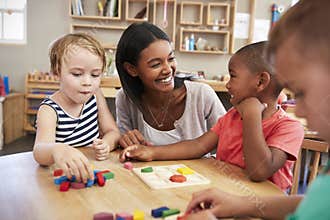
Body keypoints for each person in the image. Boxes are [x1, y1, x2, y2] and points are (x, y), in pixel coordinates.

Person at [185, 0, 330, 219]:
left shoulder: (284, 125)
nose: (298, 110)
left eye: (300, 92)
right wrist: (242, 204)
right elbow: (310, 205)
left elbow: (260, 171)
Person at [120, 41, 305, 191]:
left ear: (261, 81)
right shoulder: (232, 117)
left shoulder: (288, 128)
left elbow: (259, 171)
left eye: (233, 76)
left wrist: (252, 116)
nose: (228, 85)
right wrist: (152, 152)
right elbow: (198, 145)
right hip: (226, 196)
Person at [115, 22, 226, 149]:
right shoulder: (125, 98)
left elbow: (228, 138)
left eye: (171, 59)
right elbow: (123, 144)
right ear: (132, 69)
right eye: (156, 64)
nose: (168, 69)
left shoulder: (201, 94)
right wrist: (124, 140)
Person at [33, 33, 121, 183]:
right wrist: (57, 149)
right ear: (56, 73)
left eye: (95, 75)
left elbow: (113, 132)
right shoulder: (49, 110)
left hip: (91, 170)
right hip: (61, 175)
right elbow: (39, 151)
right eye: (77, 74)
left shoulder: (96, 95)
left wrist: (106, 143)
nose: (87, 82)